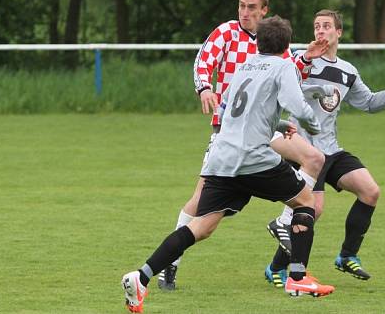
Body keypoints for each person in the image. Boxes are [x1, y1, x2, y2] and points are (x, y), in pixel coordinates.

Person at [122, 17, 335, 313]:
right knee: (305, 202)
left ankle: (141, 276)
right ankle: (297, 277)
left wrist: (279, 122)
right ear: (286, 45)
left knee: (203, 225)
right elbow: (296, 103)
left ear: (258, 41)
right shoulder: (284, 65)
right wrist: (312, 125)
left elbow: (233, 111)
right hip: (253, 157)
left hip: (222, 157)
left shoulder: (244, 66)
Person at [159, 0, 328, 291]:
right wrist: (205, 87)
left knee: (315, 157)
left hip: (265, 131)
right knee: (199, 204)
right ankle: (170, 263)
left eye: (252, 7)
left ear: (264, 11)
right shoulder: (226, 33)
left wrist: (304, 59)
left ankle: (285, 220)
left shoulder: (272, 41)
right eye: (242, 5)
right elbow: (202, 62)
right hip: (230, 131)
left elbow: (286, 77)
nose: (245, 12)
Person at [263, 9, 385, 287]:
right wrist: (309, 71)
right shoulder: (299, 60)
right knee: (313, 210)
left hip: (331, 148)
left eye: (326, 26)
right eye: (317, 26)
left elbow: (368, 103)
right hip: (305, 150)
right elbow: (285, 88)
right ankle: (278, 268)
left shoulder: (347, 71)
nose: (320, 31)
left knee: (370, 191)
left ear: (338, 33)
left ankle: (347, 256)